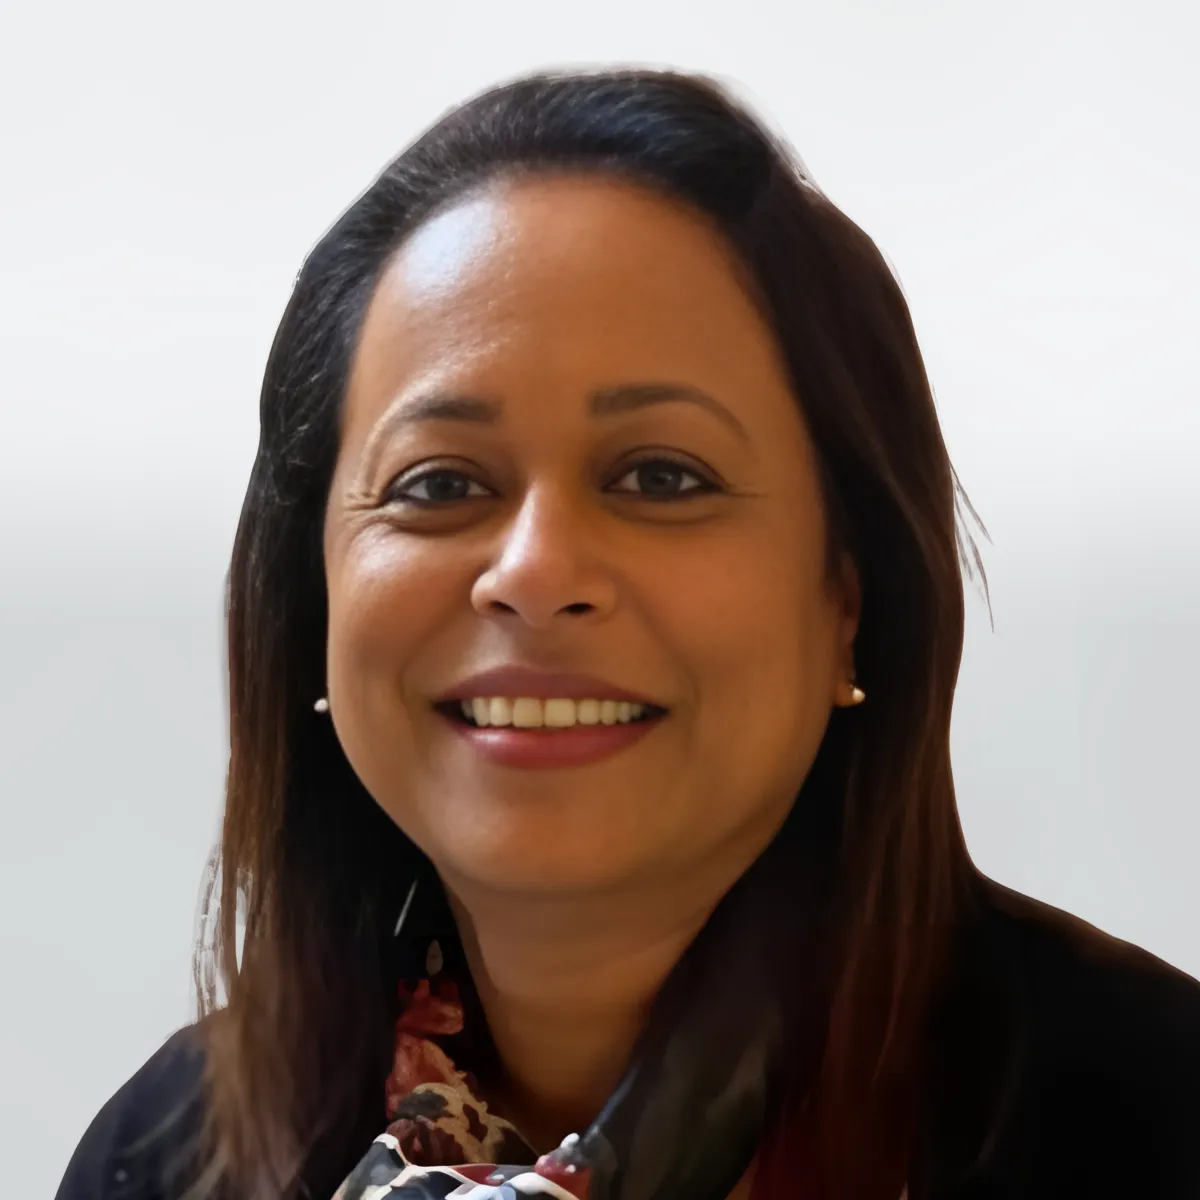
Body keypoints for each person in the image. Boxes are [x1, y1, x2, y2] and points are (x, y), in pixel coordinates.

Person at [56, 66, 1200, 1200]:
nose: (535, 573)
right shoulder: (168, 1157)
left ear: (849, 598)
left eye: (660, 476)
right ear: (313, 601)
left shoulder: (1152, 1114)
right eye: (440, 482)